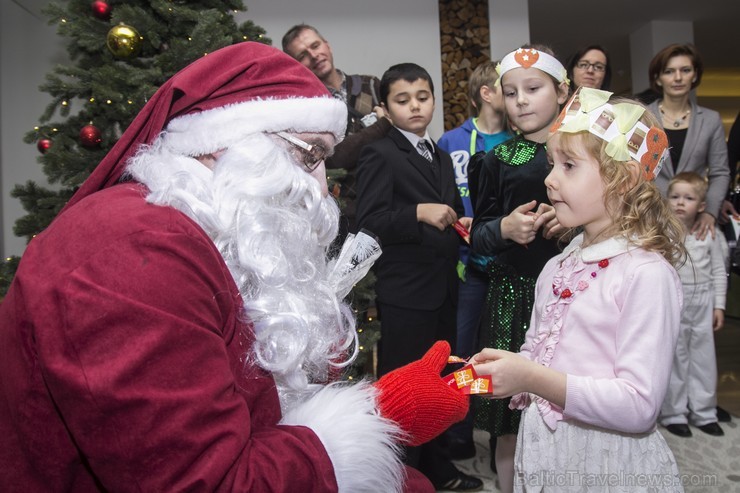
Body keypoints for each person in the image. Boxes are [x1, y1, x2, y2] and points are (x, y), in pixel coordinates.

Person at [0, 42, 472, 492]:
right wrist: (370, 426)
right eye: (309, 154)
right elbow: (206, 482)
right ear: (223, 141)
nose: (323, 189)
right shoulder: (134, 253)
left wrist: (378, 408)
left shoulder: (200, 230)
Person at [473, 87, 685, 492]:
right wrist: (512, 370)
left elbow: (639, 404)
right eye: (552, 164)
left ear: (622, 181)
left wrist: (532, 377)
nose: (549, 179)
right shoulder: (556, 266)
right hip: (547, 450)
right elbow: (539, 349)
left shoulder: (646, 274)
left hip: (607, 464)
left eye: (569, 166)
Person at [356, 63, 482, 492]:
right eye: (403, 99)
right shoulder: (380, 153)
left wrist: (457, 221)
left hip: (445, 287)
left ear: (434, 99)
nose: (415, 106)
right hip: (406, 294)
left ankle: (439, 468)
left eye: (422, 97)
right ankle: (401, 476)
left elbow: (444, 211)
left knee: (442, 383)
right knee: (407, 390)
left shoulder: (442, 155)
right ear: (387, 109)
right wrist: (417, 212)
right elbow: (369, 219)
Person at [469, 45, 566, 493]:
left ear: (562, 91)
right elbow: (479, 235)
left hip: (571, 294)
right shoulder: (497, 160)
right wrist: (505, 228)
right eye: (511, 93)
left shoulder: (585, 152)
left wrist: (568, 224)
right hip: (514, 296)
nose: (521, 100)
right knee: (510, 414)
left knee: (565, 399)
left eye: (533, 88)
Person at [437, 60, 512, 461]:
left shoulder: (522, 141)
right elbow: (440, 196)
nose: (516, 97)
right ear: (487, 93)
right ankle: (460, 433)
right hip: (468, 268)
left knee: (505, 349)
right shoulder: (450, 141)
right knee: (464, 353)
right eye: (508, 88)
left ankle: (504, 434)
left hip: (511, 266)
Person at [282, 24, 391, 236]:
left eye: (316, 45)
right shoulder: (305, 110)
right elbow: (332, 158)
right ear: (296, 65)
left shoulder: (370, 85)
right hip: (343, 218)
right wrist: (382, 126)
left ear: (327, 46)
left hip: (389, 206)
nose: (314, 55)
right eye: (303, 54)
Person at [661, 172, 727, 438]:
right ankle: (674, 413)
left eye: (688, 198)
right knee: (675, 357)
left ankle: (703, 411)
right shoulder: (663, 233)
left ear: (701, 205)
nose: (680, 203)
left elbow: (719, 272)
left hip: (703, 300)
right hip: (675, 301)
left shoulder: (710, 234)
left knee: (703, 358)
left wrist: (718, 306)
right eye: (675, 197)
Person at [647, 43, 730, 241]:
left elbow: (720, 172)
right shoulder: (643, 116)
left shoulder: (711, 119)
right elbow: (631, 170)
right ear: (658, 78)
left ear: (694, 75)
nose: (678, 78)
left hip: (695, 222)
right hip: (651, 218)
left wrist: (710, 211)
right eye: (669, 71)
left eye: (685, 70)